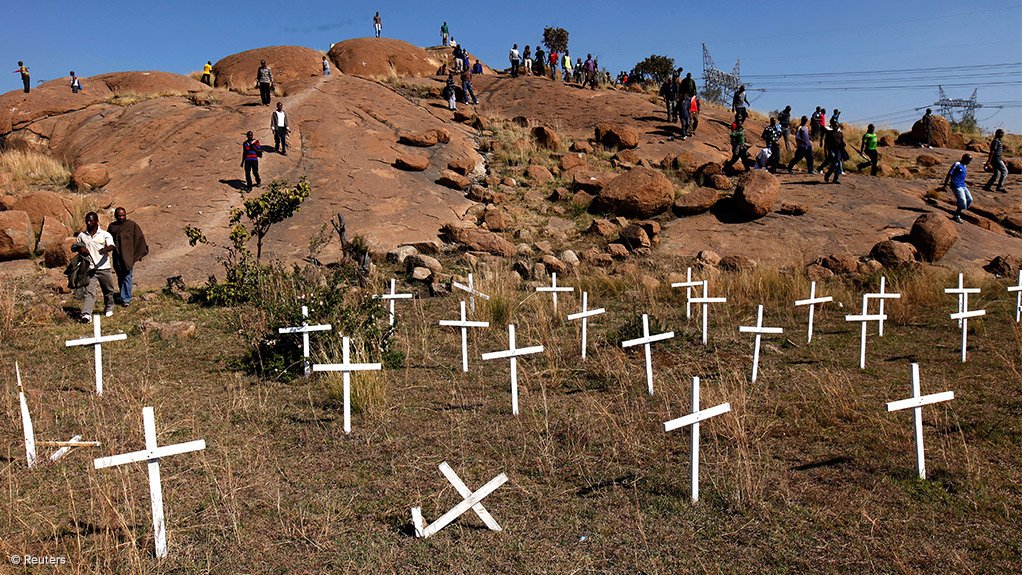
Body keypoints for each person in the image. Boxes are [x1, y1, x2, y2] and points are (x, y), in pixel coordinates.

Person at [75, 212, 117, 322]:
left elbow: (112, 246)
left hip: (104, 267)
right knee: (89, 292)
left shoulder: (104, 234)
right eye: (87, 221)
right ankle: (86, 314)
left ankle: (109, 307)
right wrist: (81, 249)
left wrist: (105, 249)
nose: (89, 223)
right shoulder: (82, 236)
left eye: (91, 220)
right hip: (89, 268)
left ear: (97, 221)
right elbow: (77, 247)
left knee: (108, 289)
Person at [107, 207, 148, 307]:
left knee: (127, 276)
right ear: (115, 216)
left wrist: (135, 255)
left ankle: (126, 299)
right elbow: (108, 240)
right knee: (120, 277)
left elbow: (139, 239)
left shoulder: (132, 225)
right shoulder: (112, 227)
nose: (122, 217)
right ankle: (123, 295)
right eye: (119, 215)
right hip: (117, 256)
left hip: (128, 256)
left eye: (123, 215)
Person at [943, 154, 974, 223]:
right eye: (969, 161)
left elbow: (960, 176)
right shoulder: (957, 164)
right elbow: (949, 174)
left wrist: (967, 182)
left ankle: (958, 211)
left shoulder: (964, 166)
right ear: (964, 159)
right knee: (962, 201)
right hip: (956, 185)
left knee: (970, 199)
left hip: (963, 185)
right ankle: (957, 215)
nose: (969, 162)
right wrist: (945, 185)